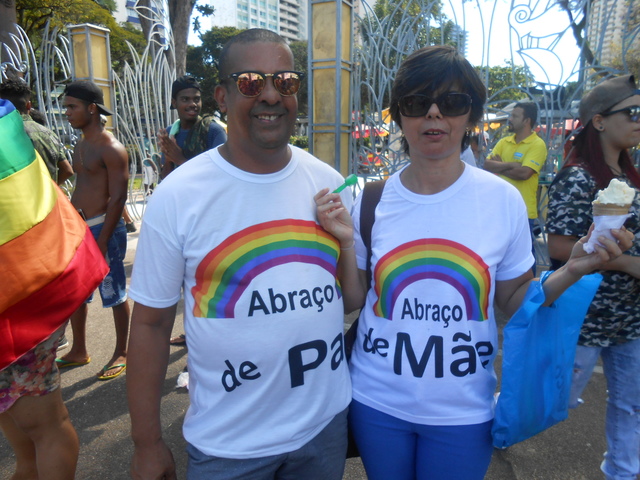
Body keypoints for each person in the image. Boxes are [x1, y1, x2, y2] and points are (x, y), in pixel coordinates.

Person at [314, 45, 632, 480]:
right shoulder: (371, 199)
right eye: (415, 103)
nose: (433, 115)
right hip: (376, 400)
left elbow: (514, 301)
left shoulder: (500, 200)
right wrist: (346, 244)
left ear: (471, 116)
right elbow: (354, 299)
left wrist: (573, 268)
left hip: (463, 409)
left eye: (452, 102)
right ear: (399, 114)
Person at [127, 29, 352, 480]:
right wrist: (147, 442)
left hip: (323, 432)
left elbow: (347, 300)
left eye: (285, 82)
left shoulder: (327, 182)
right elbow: (151, 324)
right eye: (251, 82)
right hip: (228, 446)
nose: (271, 95)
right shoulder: (179, 196)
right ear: (223, 96)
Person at [0, 98, 108, 480]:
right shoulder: (22, 129)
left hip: (25, 284)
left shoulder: (105, 146)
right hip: (31, 271)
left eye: (73, 106)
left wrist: (106, 233)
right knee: (34, 434)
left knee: (40, 431)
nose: (67, 112)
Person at [546, 74, 640, 480]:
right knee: (557, 399)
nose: (639, 120)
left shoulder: (633, 180)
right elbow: (559, 249)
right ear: (599, 121)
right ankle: (496, 429)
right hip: (584, 315)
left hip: (631, 317)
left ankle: (623, 471)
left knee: (631, 405)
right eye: (632, 112)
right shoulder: (579, 176)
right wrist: (624, 262)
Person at [56, 80, 131, 381]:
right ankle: (79, 350)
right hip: (81, 228)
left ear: (91, 108)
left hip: (105, 230)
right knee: (77, 293)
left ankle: (122, 352)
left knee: (114, 292)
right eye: (66, 107)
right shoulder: (81, 143)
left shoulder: (111, 148)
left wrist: (101, 240)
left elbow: (118, 199)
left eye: (72, 107)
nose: (67, 113)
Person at [483, 101, 547, 272]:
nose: (510, 119)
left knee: (523, 263)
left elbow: (525, 174)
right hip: (498, 210)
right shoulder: (505, 142)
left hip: (523, 212)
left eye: (514, 116)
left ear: (527, 121)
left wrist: (502, 166)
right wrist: (513, 165)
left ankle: (526, 296)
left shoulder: (537, 144)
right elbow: (487, 165)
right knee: (498, 259)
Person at [0, 78, 73, 185]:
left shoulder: (4, 134)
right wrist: (51, 189)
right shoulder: (48, 134)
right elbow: (68, 170)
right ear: (28, 105)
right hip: (47, 200)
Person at [157, 75, 227, 179]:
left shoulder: (213, 132)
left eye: (197, 99)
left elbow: (222, 177)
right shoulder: (171, 133)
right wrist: (168, 158)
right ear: (174, 103)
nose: (193, 104)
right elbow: (165, 180)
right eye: (185, 99)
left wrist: (180, 159)